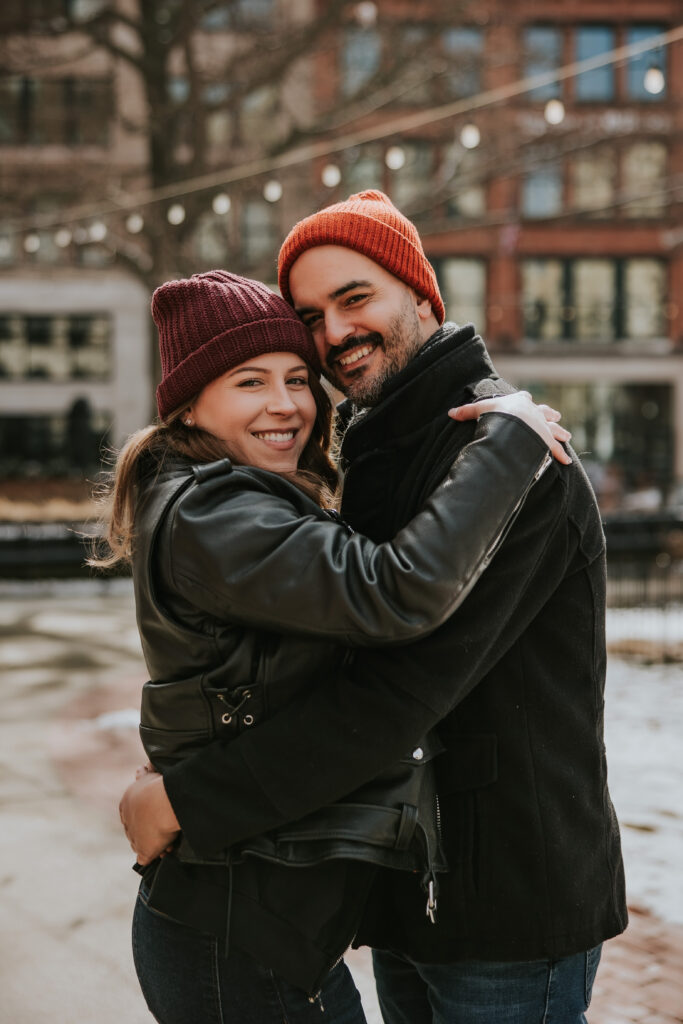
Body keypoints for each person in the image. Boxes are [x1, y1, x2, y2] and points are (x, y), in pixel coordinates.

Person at [121, 192, 627, 1023]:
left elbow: (396, 692)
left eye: (355, 298)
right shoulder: (368, 452)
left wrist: (191, 801)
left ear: (422, 296)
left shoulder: (515, 455)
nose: (332, 335)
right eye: (309, 317)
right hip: (401, 888)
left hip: (508, 904)